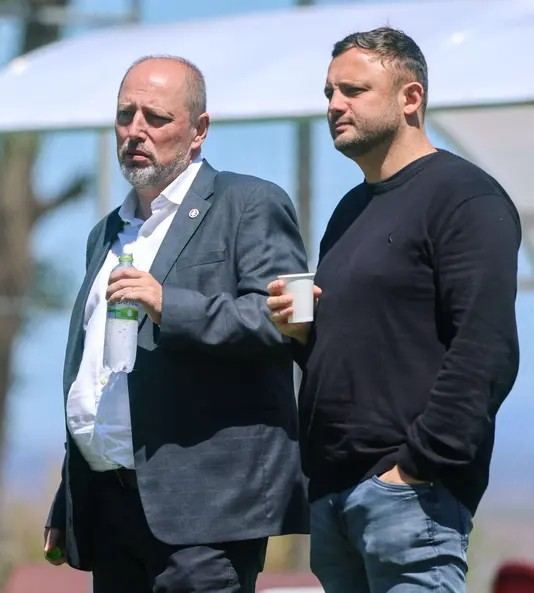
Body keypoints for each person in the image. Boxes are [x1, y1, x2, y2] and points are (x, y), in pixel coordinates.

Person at [267, 27, 521, 593]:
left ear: (411, 98)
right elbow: (366, 349)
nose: (334, 105)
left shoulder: (465, 198)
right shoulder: (350, 209)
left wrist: (416, 469)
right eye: (329, 92)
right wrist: (300, 334)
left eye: (353, 90)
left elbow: (487, 349)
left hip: (411, 500)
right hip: (334, 499)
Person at [43, 55, 309, 593]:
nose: (135, 131)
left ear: (198, 130)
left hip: (205, 514)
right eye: (125, 115)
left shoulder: (251, 203)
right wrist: (69, 491)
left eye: (156, 118)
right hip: (110, 503)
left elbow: (285, 323)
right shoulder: (106, 232)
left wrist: (171, 305)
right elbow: (101, 375)